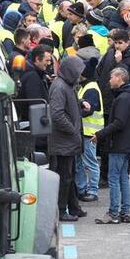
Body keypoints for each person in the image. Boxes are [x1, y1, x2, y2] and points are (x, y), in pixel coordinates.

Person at [93, 67, 130, 224]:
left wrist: (100, 135)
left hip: (119, 144)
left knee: (114, 178)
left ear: (120, 78)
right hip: (126, 144)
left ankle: (113, 213)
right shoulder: (127, 97)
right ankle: (125, 212)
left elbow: (119, 122)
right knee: (123, 178)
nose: (109, 80)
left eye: (112, 77)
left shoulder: (123, 98)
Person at [48, 56, 86, 222]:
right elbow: (56, 114)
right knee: (65, 176)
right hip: (63, 140)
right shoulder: (60, 87)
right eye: (77, 73)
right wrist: (72, 129)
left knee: (69, 175)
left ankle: (74, 207)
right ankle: (62, 210)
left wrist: (81, 103)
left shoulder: (67, 85)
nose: (80, 76)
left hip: (68, 139)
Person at [74, 59, 102, 204]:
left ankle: (92, 190)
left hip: (89, 133)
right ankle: (82, 189)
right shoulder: (87, 86)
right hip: (85, 131)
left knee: (90, 163)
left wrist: (75, 111)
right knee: (81, 162)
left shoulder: (90, 88)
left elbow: (88, 110)